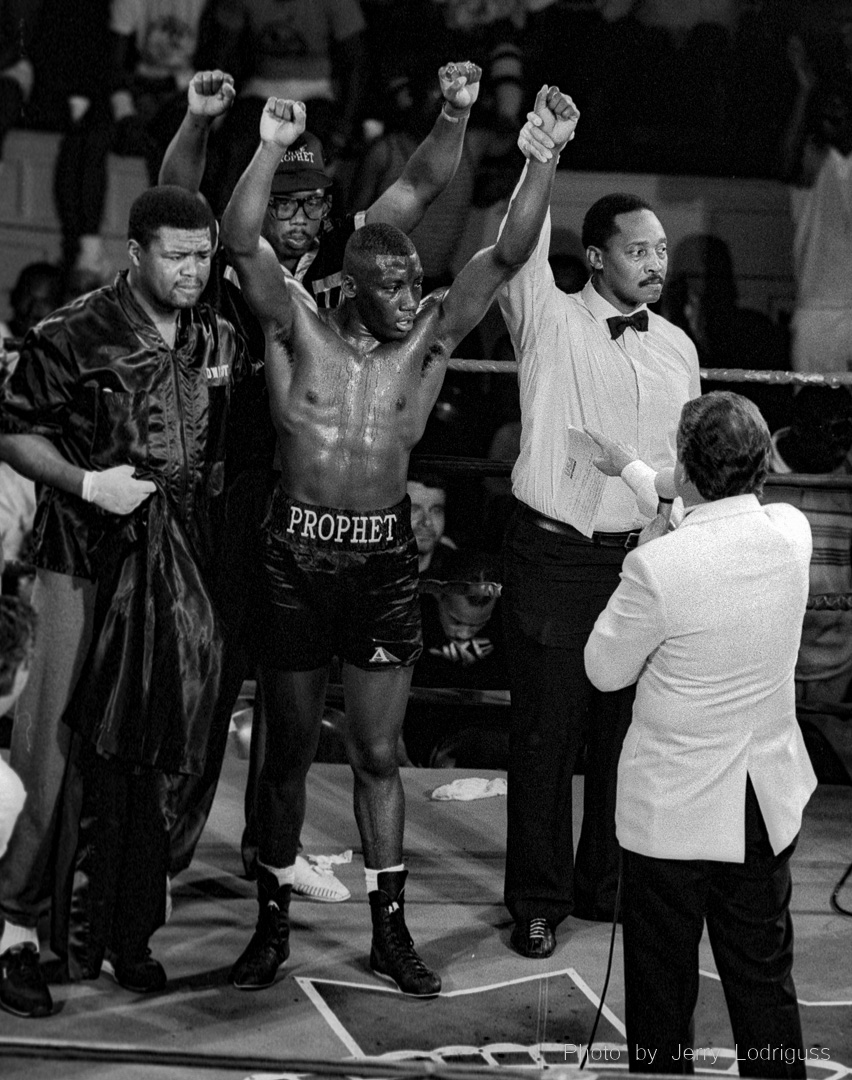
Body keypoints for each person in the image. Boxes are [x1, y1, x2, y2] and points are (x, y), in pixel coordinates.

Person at [219, 84, 578, 996]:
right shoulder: (294, 325)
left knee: (380, 755)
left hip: (380, 561)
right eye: (393, 284)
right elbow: (241, 242)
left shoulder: (424, 342)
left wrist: (546, 156)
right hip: (293, 555)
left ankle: (389, 931)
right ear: (355, 280)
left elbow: (505, 255)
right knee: (291, 749)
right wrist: (266, 147)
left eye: (416, 284)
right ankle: (271, 924)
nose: (411, 297)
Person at [158, 61, 493, 883]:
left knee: (290, 703)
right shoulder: (231, 264)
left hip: (301, 508)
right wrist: (200, 123)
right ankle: (159, 856)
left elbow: (419, 183)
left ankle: (271, 853)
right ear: (261, 205)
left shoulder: (356, 262)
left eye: (316, 202)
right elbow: (175, 199)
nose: (307, 216)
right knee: (199, 685)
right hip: (222, 493)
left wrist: (452, 112)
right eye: (290, 202)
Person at [0, 185, 244, 1018]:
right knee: (52, 756)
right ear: (135, 253)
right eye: (175, 255)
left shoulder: (216, 331)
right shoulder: (71, 331)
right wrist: (82, 481)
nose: (191, 269)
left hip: (178, 567)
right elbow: (12, 428)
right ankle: (16, 935)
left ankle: (121, 930)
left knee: (152, 754)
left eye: (202, 254)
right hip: (81, 560)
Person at [495, 100, 701, 959]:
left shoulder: (679, 347)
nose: (654, 263)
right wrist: (542, 154)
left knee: (624, 735)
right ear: (596, 257)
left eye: (660, 250)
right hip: (555, 554)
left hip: (642, 561)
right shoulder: (546, 316)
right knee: (546, 737)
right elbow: (518, 242)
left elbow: (683, 467)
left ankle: (602, 885)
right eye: (637, 250)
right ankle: (536, 902)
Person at [584, 391, 817, 1074]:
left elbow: (602, 670)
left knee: (661, 992)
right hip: (760, 804)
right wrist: (634, 472)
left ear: (686, 465)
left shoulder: (660, 566)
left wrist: (654, 535)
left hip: (675, 814)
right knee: (762, 979)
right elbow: (699, 498)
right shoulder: (790, 531)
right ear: (763, 462)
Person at [781, 33, 852, 374]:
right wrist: (805, 90)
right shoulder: (813, 163)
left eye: (842, 104)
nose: (834, 111)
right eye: (827, 108)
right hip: (819, 316)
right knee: (814, 416)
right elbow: (787, 163)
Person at [407, 469, 456, 577]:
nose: (427, 521)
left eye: (436, 511)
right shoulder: (368, 571)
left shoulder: (464, 576)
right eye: (414, 510)